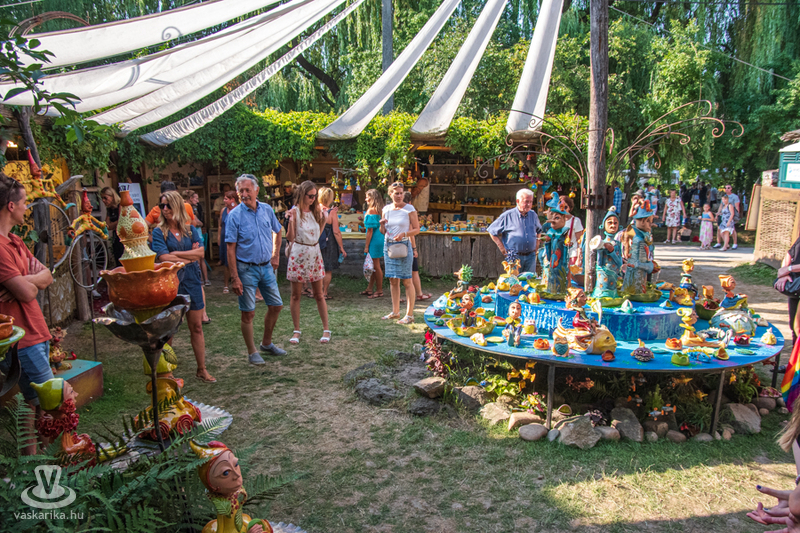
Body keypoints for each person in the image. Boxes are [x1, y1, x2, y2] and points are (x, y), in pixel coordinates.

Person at [0, 173, 54, 454]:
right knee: (51, 403)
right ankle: (54, 462)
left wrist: (23, 280)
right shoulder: (0, 248)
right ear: (11, 206)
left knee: (32, 406)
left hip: (36, 332)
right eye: (23, 202)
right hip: (22, 341)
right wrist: (27, 283)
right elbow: (28, 293)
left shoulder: (16, 241)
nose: (26, 208)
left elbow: (47, 275)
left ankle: (33, 465)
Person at [150, 190, 216, 383]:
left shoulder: (190, 230)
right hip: (171, 282)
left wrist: (177, 255)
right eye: (162, 205)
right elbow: (163, 257)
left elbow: (201, 253)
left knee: (196, 326)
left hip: (192, 280)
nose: (164, 209)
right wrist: (189, 256)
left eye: (168, 205)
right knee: (169, 329)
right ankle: (167, 371)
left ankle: (202, 369)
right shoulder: (159, 232)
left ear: (177, 206)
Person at [225, 174, 286, 365]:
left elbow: (278, 231)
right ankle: (252, 352)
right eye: (241, 191)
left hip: (266, 267)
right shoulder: (234, 215)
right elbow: (230, 248)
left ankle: (266, 343)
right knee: (248, 312)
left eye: (247, 190)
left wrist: (275, 255)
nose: (244, 194)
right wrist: (234, 277)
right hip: (246, 269)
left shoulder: (266, 209)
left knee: (276, 306)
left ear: (256, 190)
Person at [285, 181, 330, 344]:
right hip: (299, 253)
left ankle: (326, 329)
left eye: (315, 196)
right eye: (310, 196)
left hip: (314, 252)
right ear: (302, 194)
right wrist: (291, 221)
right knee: (296, 295)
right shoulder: (295, 212)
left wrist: (324, 218)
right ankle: (296, 330)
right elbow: (290, 237)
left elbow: (318, 235)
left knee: (319, 294)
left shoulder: (316, 211)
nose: (313, 199)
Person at [380, 181, 420, 324]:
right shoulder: (386, 209)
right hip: (389, 245)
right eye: (396, 193)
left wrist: (404, 234)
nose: (399, 196)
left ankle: (409, 315)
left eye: (401, 193)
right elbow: (383, 231)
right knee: (392, 279)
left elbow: (417, 229)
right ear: (390, 194)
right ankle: (395, 312)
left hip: (404, 245)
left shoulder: (409, 209)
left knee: (407, 280)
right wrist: (381, 224)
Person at [488, 189, 542, 273]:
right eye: (526, 201)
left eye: (531, 202)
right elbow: (491, 231)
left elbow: (539, 231)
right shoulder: (507, 215)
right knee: (514, 279)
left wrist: (537, 245)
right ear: (518, 201)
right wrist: (502, 249)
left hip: (530, 257)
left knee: (530, 279)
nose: (529, 204)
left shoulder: (533, 215)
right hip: (514, 257)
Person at [401, 191, 431, 303]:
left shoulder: (397, 212)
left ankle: (413, 294)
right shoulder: (408, 212)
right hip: (407, 245)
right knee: (414, 271)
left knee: (400, 272)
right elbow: (411, 234)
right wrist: (414, 249)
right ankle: (419, 294)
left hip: (397, 245)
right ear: (410, 202)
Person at [318, 187, 346, 300]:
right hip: (328, 243)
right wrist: (341, 247)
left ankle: (317, 291)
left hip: (315, 242)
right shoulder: (331, 212)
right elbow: (336, 232)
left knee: (317, 267)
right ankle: (324, 292)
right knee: (327, 268)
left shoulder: (314, 210)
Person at [775, 236, 800, 345]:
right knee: (793, 326)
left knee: (798, 327)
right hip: (795, 284)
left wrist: (789, 269)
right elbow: (789, 254)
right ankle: (794, 355)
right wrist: (783, 273)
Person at [362, 189, 384, 298]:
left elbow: (370, 231)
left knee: (375, 266)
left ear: (372, 198)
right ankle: (369, 288)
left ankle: (379, 290)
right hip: (380, 238)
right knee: (374, 265)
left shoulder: (371, 211)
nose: (366, 199)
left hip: (374, 240)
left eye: (367, 197)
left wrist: (366, 246)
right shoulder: (380, 210)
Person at [186, 190, 210, 286]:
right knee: (198, 259)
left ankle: (203, 280)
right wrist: (199, 223)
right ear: (190, 198)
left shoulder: (194, 209)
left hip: (196, 235)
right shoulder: (188, 208)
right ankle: (202, 280)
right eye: (196, 198)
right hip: (193, 236)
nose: (197, 200)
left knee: (200, 258)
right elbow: (197, 223)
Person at [218, 190, 238, 294]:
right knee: (226, 262)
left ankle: (238, 282)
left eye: (226, 199)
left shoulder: (239, 210)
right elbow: (220, 225)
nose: (224, 200)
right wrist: (218, 237)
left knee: (237, 260)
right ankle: (226, 285)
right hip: (224, 238)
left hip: (236, 239)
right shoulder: (223, 210)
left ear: (232, 199)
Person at [100, 186, 124, 265]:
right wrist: (115, 224)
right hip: (116, 236)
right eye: (102, 198)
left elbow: (122, 222)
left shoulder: (121, 205)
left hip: (124, 236)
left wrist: (113, 224)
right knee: (117, 258)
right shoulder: (110, 209)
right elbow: (107, 226)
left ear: (112, 196)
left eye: (105, 198)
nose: (103, 200)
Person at [723, 184, 741, 249]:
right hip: (725, 215)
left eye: (728, 188)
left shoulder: (734, 197)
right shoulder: (724, 196)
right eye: (725, 188)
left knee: (732, 229)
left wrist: (737, 215)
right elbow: (721, 205)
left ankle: (735, 243)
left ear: (731, 188)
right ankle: (726, 244)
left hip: (731, 214)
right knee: (723, 230)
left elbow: (737, 206)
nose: (727, 189)